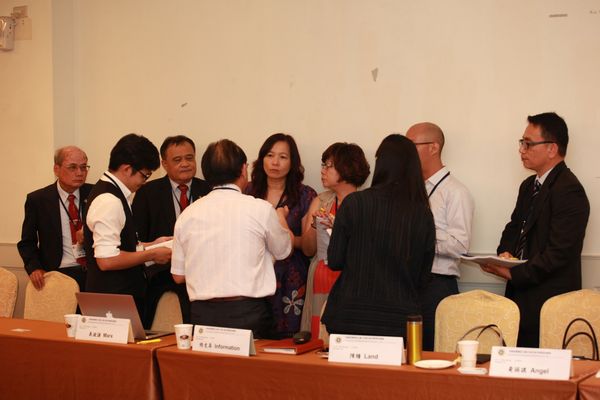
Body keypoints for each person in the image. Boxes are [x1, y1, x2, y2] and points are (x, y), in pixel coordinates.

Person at [481, 112, 590, 348]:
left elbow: (559, 253)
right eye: (522, 143)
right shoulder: (529, 185)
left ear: (552, 148)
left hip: (550, 302)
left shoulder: (569, 189)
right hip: (520, 298)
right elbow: (513, 229)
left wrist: (513, 273)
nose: (522, 150)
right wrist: (504, 256)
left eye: (528, 144)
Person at [171, 139, 293, 338]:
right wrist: (281, 219)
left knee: (207, 360)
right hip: (248, 312)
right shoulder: (260, 209)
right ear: (243, 169)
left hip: (203, 314)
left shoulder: (187, 215)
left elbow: (178, 276)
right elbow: (283, 251)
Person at [322, 134, 435, 337]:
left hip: (350, 315)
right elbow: (422, 277)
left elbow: (335, 260)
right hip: (399, 320)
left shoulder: (354, 203)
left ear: (380, 163)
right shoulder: (422, 213)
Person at [84, 134, 172, 322]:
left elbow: (122, 245)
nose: (145, 182)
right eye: (145, 175)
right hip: (112, 300)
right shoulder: (109, 200)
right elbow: (107, 260)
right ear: (126, 169)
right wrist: (152, 255)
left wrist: (152, 245)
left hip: (118, 297)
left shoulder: (116, 194)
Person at [406, 122, 475, 351]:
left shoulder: (456, 192)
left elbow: (459, 245)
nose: (407, 153)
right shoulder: (412, 188)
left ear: (433, 147)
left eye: (411, 145)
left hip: (436, 285)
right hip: (408, 282)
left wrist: (422, 237)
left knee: (430, 352)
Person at [132, 135, 211, 326]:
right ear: (164, 164)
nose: (185, 164)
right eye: (177, 160)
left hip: (203, 272)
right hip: (161, 272)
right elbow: (138, 237)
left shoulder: (209, 190)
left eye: (189, 158)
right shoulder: (147, 192)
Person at [246, 133, 316, 338]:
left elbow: (309, 246)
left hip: (291, 276)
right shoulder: (248, 192)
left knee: (288, 339)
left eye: (283, 157)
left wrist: (285, 235)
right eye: (270, 155)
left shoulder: (305, 195)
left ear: (293, 162)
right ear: (262, 159)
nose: (275, 162)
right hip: (254, 273)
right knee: (254, 337)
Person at [300, 142, 370, 340]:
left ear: (347, 168)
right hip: (321, 273)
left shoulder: (367, 203)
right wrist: (315, 226)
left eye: (328, 165)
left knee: (347, 337)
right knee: (318, 334)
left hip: (352, 277)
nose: (322, 171)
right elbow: (307, 250)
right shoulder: (321, 201)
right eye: (323, 165)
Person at [18, 146, 92, 291]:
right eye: (72, 167)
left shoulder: (95, 194)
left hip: (92, 273)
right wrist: (34, 267)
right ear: (56, 169)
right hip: (57, 274)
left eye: (83, 167)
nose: (79, 173)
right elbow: (27, 242)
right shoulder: (38, 200)